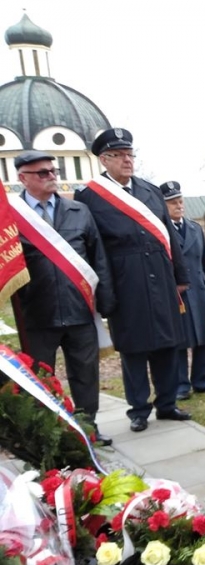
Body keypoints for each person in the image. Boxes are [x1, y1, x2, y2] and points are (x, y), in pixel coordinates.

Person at [74, 128, 191, 432]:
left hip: (161, 276)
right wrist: (104, 292)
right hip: (125, 280)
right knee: (133, 348)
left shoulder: (150, 190)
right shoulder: (89, 196)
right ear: (104, 160)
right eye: (120, 155)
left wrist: (180, 276)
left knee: (167, 344)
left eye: (130, 154)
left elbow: (169, 236)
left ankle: (167, 403)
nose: (127, 160)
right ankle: (139, 409)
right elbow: (92, 247)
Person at [13, 150, 115, 445]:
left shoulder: (78, 211)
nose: (51, 177)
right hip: (36, 313)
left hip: (79, 309)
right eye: (42, 173)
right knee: (40, 378)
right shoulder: (12, 216)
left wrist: (106, 301)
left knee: (85, 374)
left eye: (52, 171)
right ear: (23, 178)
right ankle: (47, 434)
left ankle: (87, 429)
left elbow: (98, 257)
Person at [160, 181, 205, 402]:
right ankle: (181, 385)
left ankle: (201, 380)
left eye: (180, 201)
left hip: (199, 290)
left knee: (202, 338)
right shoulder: (162, 230)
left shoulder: (195, 228)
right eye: (173, 203)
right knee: (180, 340)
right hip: (178, 293)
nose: (179, 206)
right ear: (164, 205)